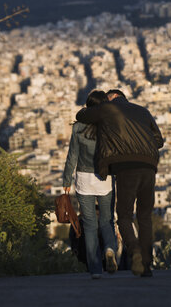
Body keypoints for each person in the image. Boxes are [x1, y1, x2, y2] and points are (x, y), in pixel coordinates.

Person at [76, 89, 163, 277]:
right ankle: (146, 265)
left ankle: (135, 251)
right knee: (145, 216)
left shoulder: (108, 109)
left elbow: (81, 115)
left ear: (111, 98)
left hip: (126, 167)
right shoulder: (143, 111)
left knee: (124, 215)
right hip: (149, 165)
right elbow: (159, 140)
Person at [62, 90, 118, 279]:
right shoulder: (110, 126)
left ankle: (95, 269)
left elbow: (73, 156)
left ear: (87, 107)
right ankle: (110, 249)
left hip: (84, 179)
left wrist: (66, 180)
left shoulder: (78, 128)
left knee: (89, 226)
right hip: (105, 178)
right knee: (107, 221)